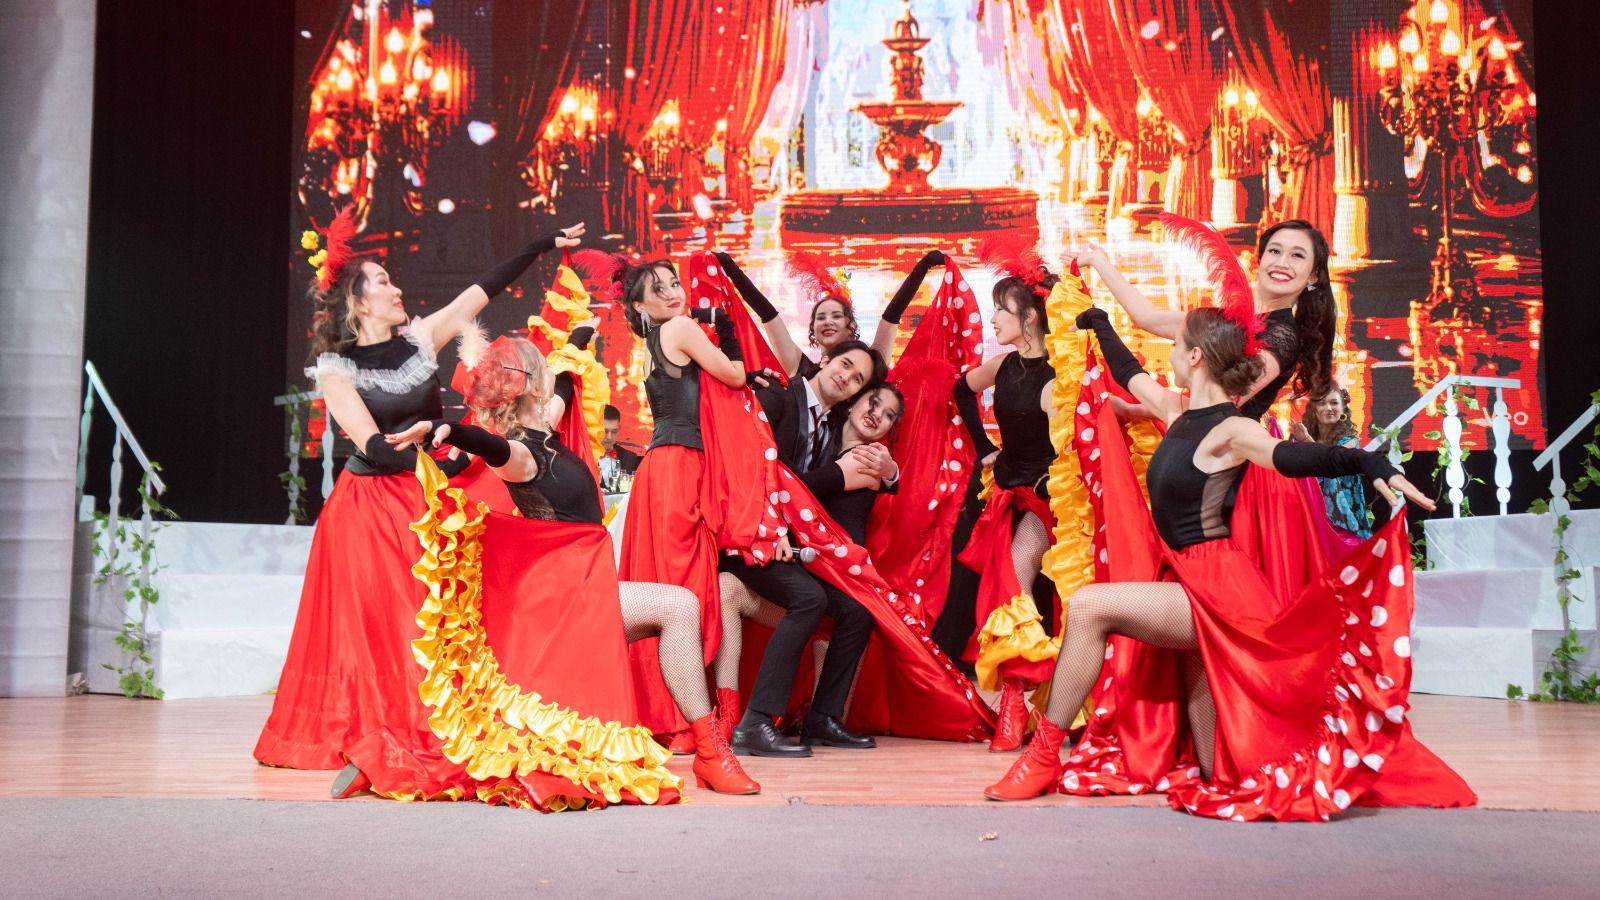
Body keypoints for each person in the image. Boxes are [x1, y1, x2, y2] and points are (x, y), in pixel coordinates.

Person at [983, 304, 1476, 822]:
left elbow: (1293, 458)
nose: (1170, 356)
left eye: (1176, 347)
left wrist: (1367, 460)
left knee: (1088, 607)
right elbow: (1129, 373)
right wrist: (1100, 323)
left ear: (1195, 356)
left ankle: (1041, 760)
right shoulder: (1176, 412)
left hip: (1219, 592)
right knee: (1217, 768)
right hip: (1187, 577)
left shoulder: (1232, 430)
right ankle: (1176, 765)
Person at [253, 213, 584, 783]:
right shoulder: (335, 369)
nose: (396, 288)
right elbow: (374, 446)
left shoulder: (419, 340)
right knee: (393, 624)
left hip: (430, 495)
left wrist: (538, 244)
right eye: (382, 282)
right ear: (358, 302)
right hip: (372, 509)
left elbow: (480, 292)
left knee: (448, 615)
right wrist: (442, 463)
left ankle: (451, 717)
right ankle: (381, 727)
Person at [386, 338, 759, 795]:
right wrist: (446, 430)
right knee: (678, 606)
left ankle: (710, 748)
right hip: (566, 603)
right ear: (529, 385)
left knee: (678, 607)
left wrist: (580, 339)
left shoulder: (546, 428)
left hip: (584, 588)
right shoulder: (521, 455)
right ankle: (710, 751)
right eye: (542, 367)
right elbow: (489, 445)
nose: (550, 374)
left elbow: (562, 388)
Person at [723, 340, 893, 757]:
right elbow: (747, 468)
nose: (846, 377)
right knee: (810, 598)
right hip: (748, 537)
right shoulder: (778, 398)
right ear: (825, 359)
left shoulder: (832, 426)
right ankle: (756, 722)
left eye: (857, 378)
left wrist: (890, 473)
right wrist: (770, 528)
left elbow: (815, 484)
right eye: (845, 365)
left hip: (787, 547)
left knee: (857, 612)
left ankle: (822, 718)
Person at [614, 256, 748, 746]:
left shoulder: (653, 341)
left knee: (667, 585)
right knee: (686, 589)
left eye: (675, 283)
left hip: (662, 469)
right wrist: (729, 329)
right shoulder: (680, 329)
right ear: (639, 305)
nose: (674, 293)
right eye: (660, 289)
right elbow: (735, 377)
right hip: (680, 467)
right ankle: (694, 719)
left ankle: (677, 715)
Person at [949, 247, 1064, 752]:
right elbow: (961, 390)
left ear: (1030, 317)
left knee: (1016, 587)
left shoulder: (1062, 372)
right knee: (1003, 590)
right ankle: (1013, 702)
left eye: (1001, 309)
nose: (993, 318)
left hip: (1049, 501)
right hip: (1005, 494)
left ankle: (1021, 705)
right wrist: (984, 448)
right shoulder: (1003, 366)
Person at [1076, 216, 1335, 419]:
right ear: (1261, 259)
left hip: (1223, 466)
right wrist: (1099, 262)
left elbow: (1209, 409)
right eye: (1275, 251)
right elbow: (1147, 317)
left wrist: (1128, 373)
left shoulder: (1282, 338)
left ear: (1313, 275)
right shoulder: (1225, 319)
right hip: (1193, 450)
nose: (1282, 263)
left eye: (1297, 255)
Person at [1293, 385, 1372, 541]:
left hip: (1346, 528)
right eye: (1322, 403)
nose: (1329, 408)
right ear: (1314, 409)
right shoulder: (1302, 441)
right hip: (1310, 521)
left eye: (1334, 403)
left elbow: (1328, 461)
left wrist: (1307, 440)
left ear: (1343, 410)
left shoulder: (1350, 442)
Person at [599, 404, 643, 492]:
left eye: (614, 431)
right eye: (605, 431)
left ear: (619, 428)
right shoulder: (584, 456)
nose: (609, 437)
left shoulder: (630, 458)